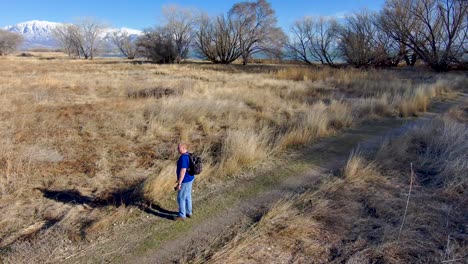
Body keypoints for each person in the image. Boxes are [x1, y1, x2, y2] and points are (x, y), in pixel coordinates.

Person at [174, 143, 195, 220]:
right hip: (190, 178)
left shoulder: (183, 158)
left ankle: (182, 215)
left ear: (183, 148)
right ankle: (189, 212)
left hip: (185, 180)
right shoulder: (188, 154)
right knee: (188, 196)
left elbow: (183, 171)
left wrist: (179, 183)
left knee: (181, 197)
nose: (177, 149)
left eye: (178, 148)